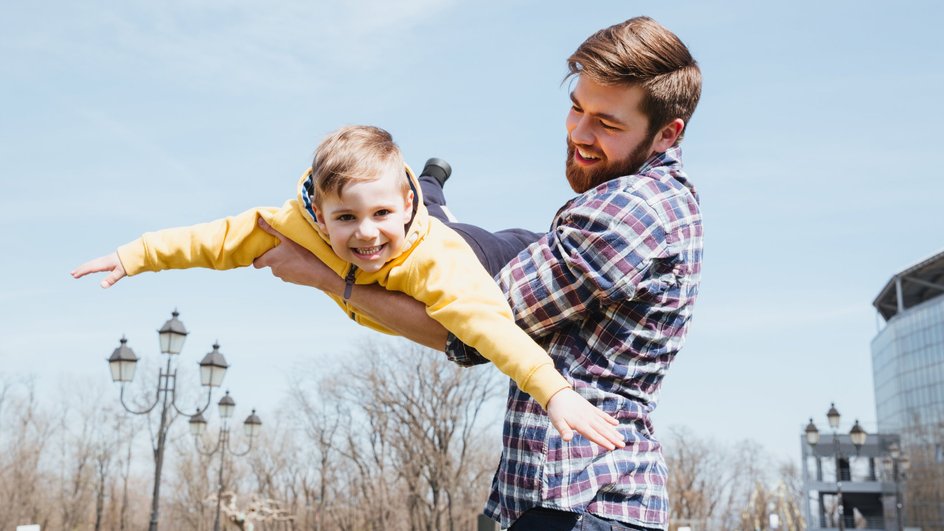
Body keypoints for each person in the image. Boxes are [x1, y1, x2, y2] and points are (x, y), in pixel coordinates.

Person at [251, 16, 703, 531]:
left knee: (466, 244)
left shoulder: (627, 212)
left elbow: (465, 328)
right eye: (577, 108)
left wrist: (326, 275)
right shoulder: (655, 203)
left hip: (580, 502)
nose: (580, 132)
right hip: (571, 501)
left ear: (667, 133)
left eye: (609, 123)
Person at [71, 125, 626, 450]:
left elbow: (489, 329)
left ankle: (431, 186)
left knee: (477, 237)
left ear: (401, 205)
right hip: (414, 212)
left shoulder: (440, 263)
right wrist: (135, 255)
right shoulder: (293, 222)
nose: (365, 235)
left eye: (381, 212)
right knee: (422, 209)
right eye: (345, 219)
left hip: (486, 252)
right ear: (317, 210)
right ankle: (431, 181)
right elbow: (213, 239)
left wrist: (553, 391)